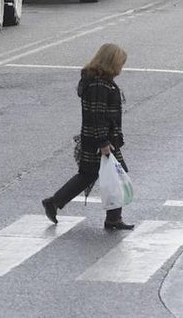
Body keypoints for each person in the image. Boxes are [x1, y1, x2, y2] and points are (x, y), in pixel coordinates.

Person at [42, 43, 133, 231]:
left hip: (98, 139)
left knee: (89, 175)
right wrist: (103, 142)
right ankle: (113, 219)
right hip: (99, 140)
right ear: (111, 63)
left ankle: (55, 202)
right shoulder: (99, 84)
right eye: (120, 65)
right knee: (113, 174)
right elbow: (96, 116)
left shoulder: (99, 81)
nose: (121, 70)